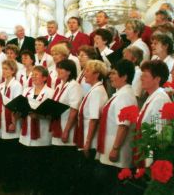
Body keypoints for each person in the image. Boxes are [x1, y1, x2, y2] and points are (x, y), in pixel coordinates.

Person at [95, 59, 137, 195]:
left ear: (124, 76)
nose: (110, 77)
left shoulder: (125, 96)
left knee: (112, 187)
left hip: (116, 153)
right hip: (109, 149)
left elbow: (123, 126)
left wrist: (115, 149)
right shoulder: (121, 93)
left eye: (114, 73)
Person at [48, 59, 83, 195]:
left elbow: (74, 110)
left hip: (66, 130)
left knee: (65, 165)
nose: (58, 71)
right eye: (58, 68)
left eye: (61, 68)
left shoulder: (74, 86)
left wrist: (66, 130)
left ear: (69, 71)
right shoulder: (59, 86)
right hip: (57, 127)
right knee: (57, 164)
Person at [75, 60, 108, 195]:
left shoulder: (97, 92)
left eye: (87, 71)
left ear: (96, 74)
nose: (84, 75)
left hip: (91, 141)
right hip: (87, 138)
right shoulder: (94, 89)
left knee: (87, 175)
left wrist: (87, 143)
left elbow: (94, 119)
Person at [19, 66, 54, 194]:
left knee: (40, 163)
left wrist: (39, 115)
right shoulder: (26, 91)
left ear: (45, 78)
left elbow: (53, 114)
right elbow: (21, 107)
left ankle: (40, 188)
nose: (33, 77)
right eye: (32, 75)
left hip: (42, 133)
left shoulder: (50, 92)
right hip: (27, 131)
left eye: (36, 75)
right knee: (29, 163)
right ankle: (31, 187)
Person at [135, 60, 170, 167]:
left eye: (145, 76)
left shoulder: (160, 99)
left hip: (150, 158)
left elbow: (157, 133)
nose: (141, 78)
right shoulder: (153, 96)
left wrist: (149, 164)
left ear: (157, 79)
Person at [0, 60, 23, 192]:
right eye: (3, 69)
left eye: (7, 69)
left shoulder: (16, 85)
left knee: (12, 155)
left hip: (12, 123)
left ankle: (13, 183)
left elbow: (16, 106)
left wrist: (13, 122)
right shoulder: (1, 85)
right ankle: (6, 181)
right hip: (2, 122)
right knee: (5, 155)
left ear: (13, 71)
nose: (4, 71)